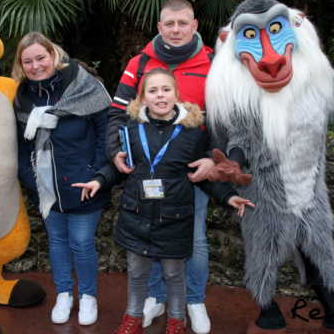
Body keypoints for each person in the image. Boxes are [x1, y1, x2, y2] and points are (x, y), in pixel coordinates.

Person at [75, 68, 253, 333]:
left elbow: (203, 177)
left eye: (166, 90)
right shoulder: (132, 129)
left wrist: (229, 198)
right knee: (136, 273)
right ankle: (132, 318)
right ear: (143, 97)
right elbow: (122, 167)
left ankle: (176, 321)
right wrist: (99, 181)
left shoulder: (192, 133)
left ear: (177, 95)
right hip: (136, 216)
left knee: (173, 274)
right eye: (153, 90)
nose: (160, 95)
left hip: (174, 219)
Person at [105, 0, 246, 333]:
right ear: (159, 27)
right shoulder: (139, 63)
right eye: (169, 24)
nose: (176, 30)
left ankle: (193, 300)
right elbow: (116, 114)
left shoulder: (216, 62)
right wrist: (115, 150)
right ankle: (155, 297)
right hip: (149, 173)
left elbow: (232, 120)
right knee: (149, 232)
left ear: (195, 25)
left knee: (192, 239)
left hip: (190, 172)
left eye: (183, 23)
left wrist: (215, 160)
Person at [13, 31, 112, 326]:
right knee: (56, 242)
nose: (36, 66)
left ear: (54, 56)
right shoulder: (21, 98)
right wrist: (35, 181)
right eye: (27, 61)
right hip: (46, 189)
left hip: (84, 185)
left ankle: (88, 297)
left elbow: (106, 135)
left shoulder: (84, 86)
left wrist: (95, 174)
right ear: (21, 65)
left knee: (81, 243)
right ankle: (64, 294)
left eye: (41, 57)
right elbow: (19, 148)